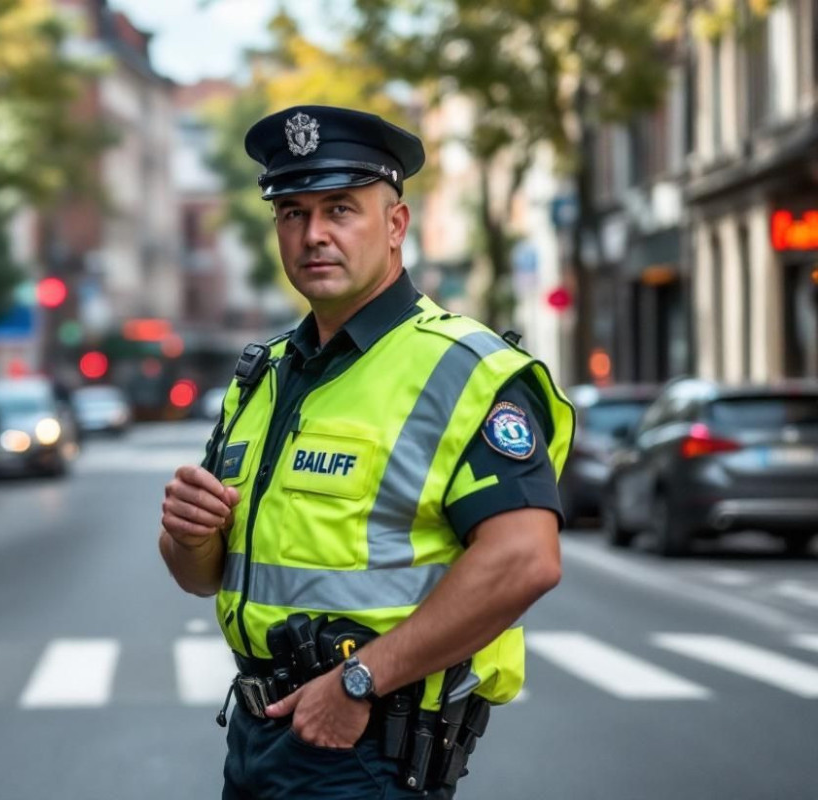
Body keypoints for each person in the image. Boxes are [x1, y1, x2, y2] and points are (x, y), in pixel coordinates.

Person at [158, 106, 574, 799]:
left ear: (395, 225)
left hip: (369, 750)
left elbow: (525, 558)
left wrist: (359, 681)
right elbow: (201, 576)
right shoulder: (267, 375)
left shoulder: (464, 369)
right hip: (258, 742)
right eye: (292, 213)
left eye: (340, 209)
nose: (313, 234)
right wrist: (188, 533)